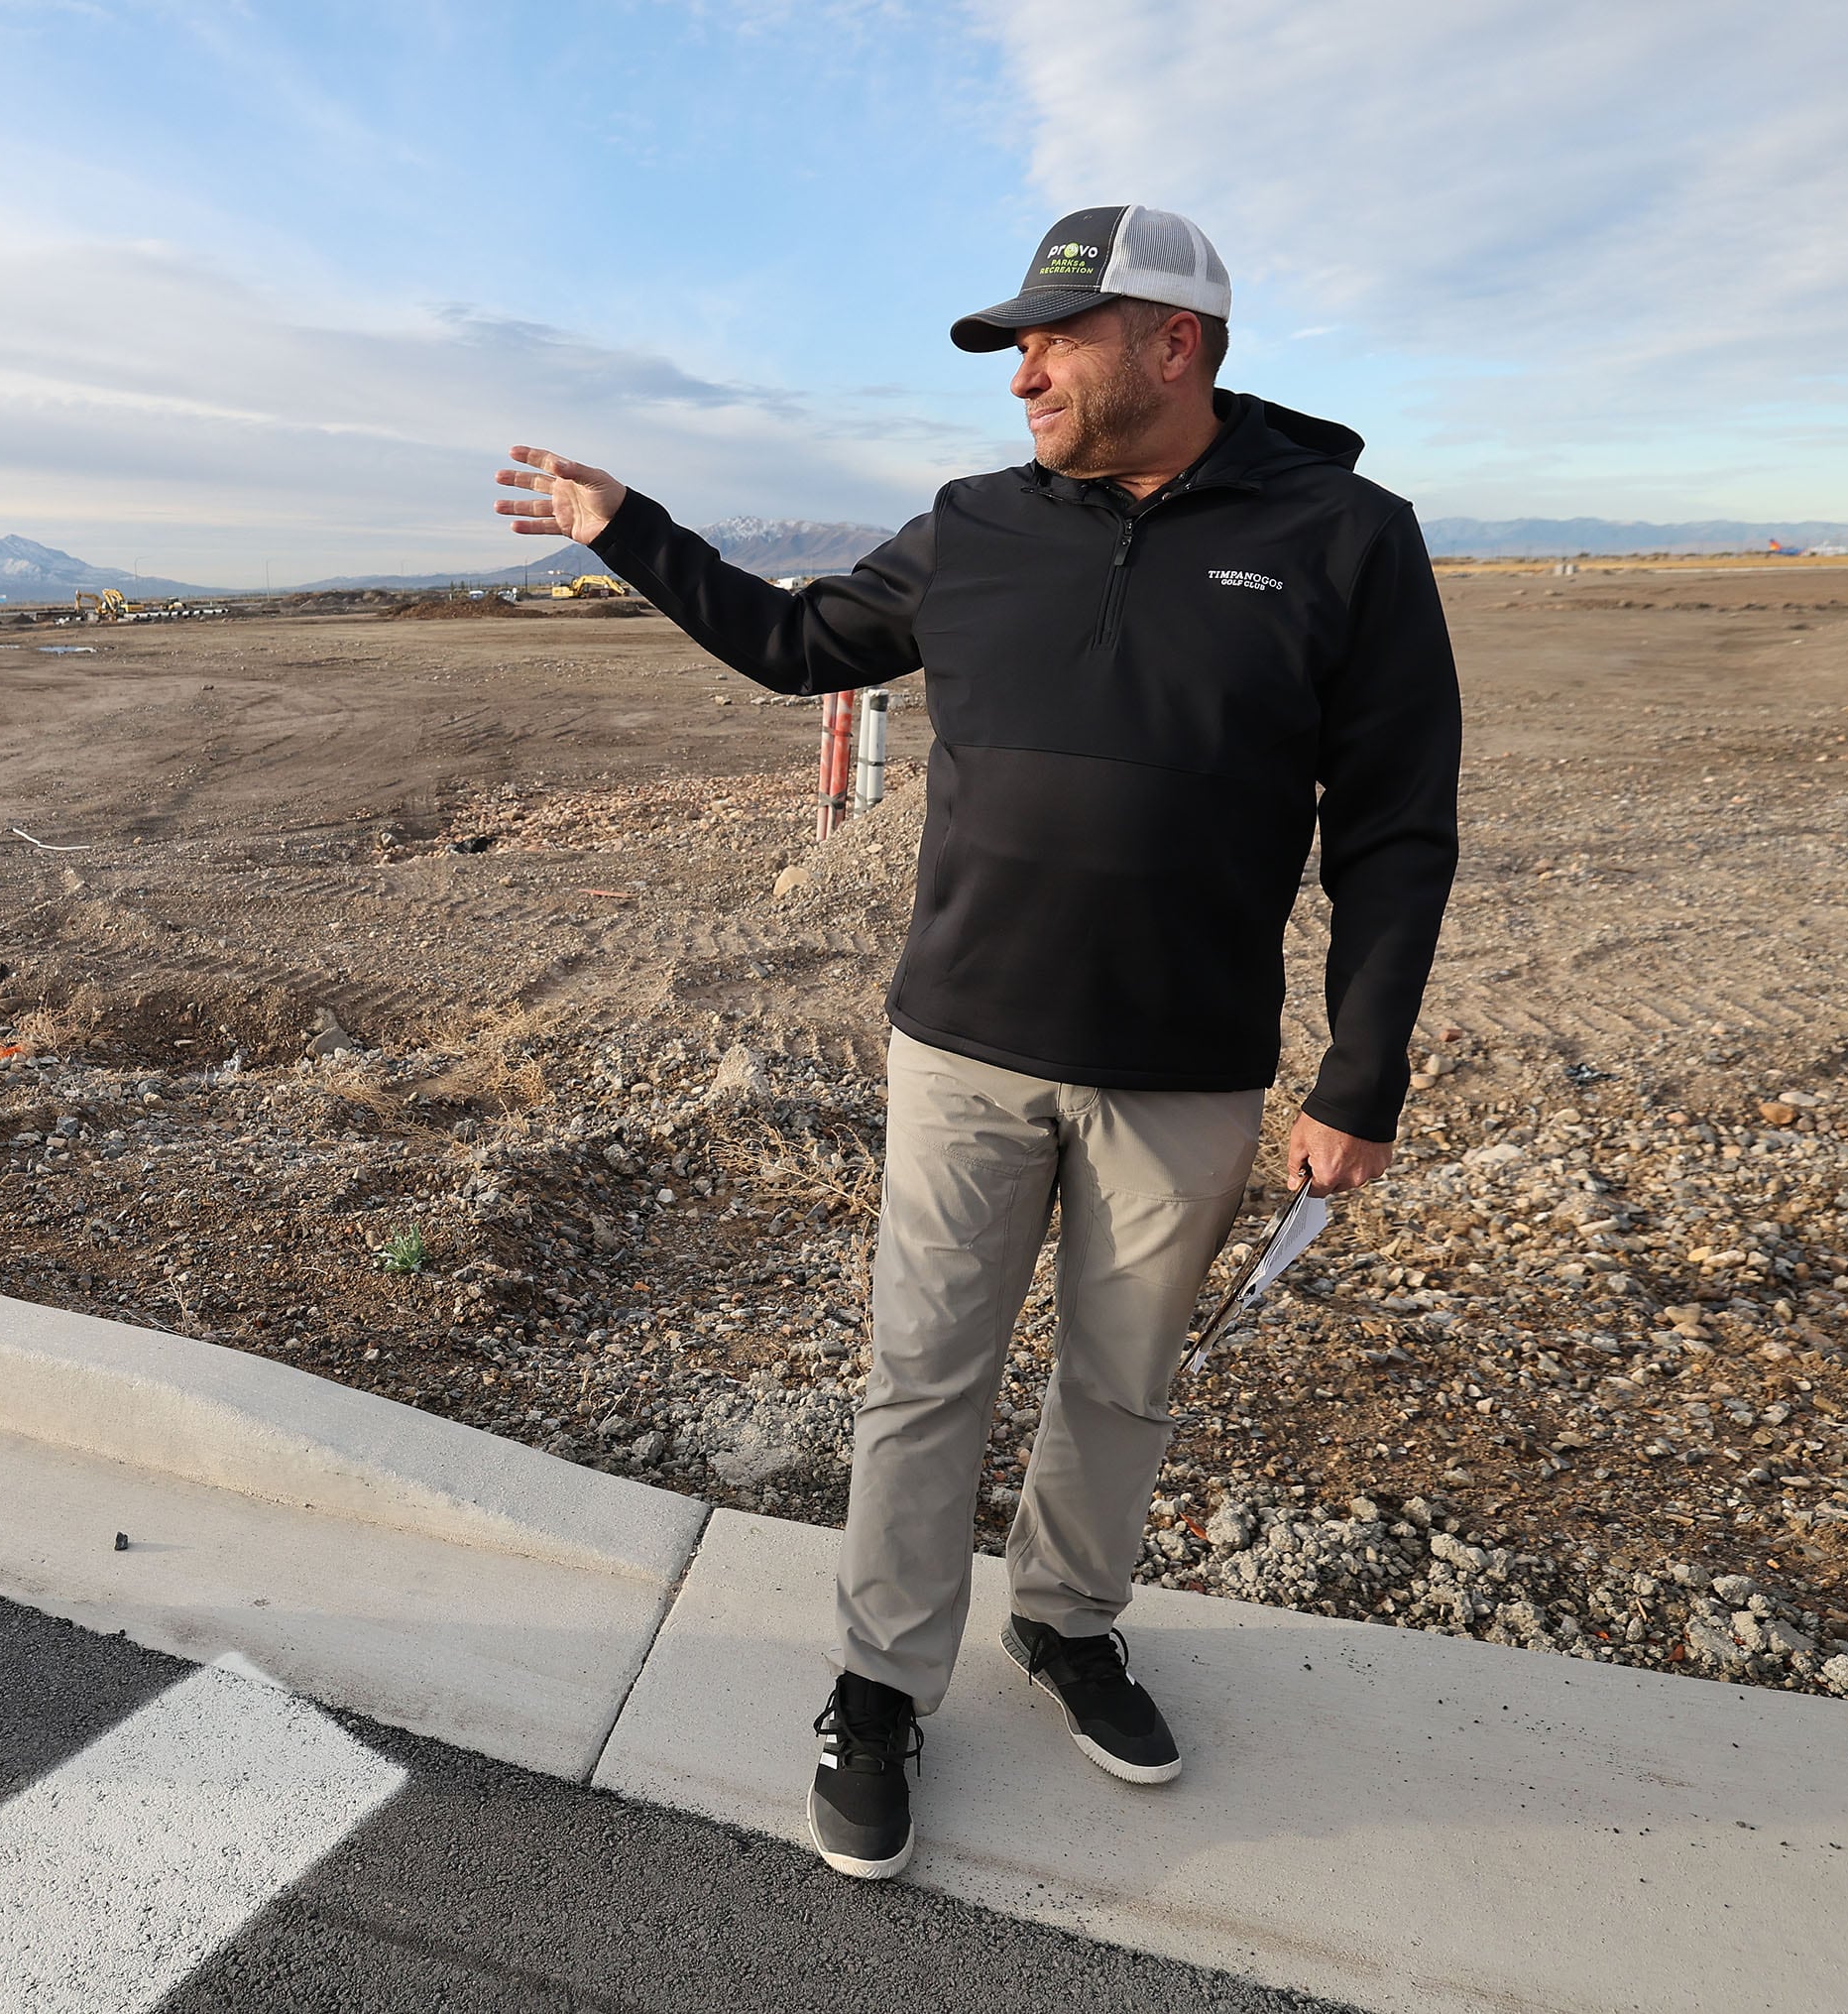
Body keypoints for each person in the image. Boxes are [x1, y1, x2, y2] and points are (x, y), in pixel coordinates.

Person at [494, 205, 1459, 1879]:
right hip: (966, 1047)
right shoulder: (976, 527)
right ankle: (878, 1683)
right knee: (923, 1375)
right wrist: (626, 526)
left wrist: (1359, 1071)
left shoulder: (1348, 538)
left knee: (1123, 1381)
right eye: (1014, 342)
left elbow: (1395, 823)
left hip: (1189, 1065)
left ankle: (1068, 1624)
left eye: (1053, 338)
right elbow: (798, 647)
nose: (1022, 368)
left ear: (1175, 343)